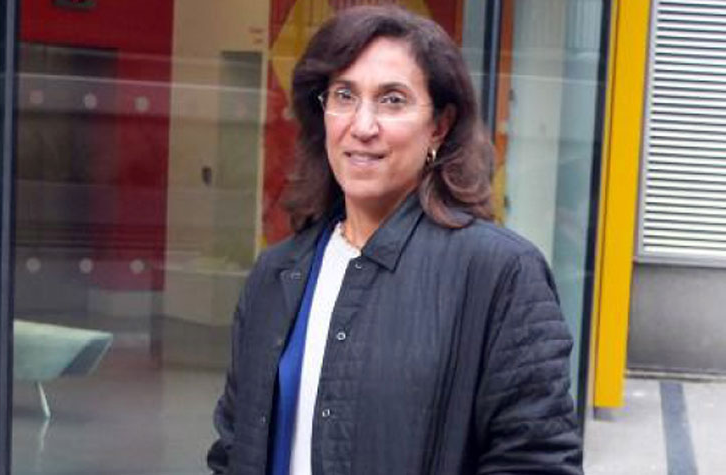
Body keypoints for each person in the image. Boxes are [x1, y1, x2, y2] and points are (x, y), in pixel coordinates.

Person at [208, 5, 582, 475]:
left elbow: (536, 462)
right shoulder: (278, 272)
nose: (363, 126)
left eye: (392, 100)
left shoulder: (499, 274)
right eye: (344, 95)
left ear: (439, 126)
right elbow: (233, 448)